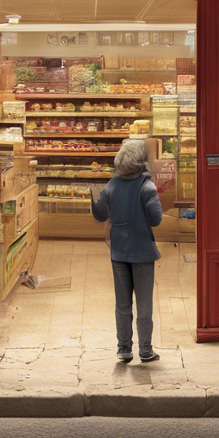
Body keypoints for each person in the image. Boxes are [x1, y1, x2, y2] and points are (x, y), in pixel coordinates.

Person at [91, 139, 163, 363]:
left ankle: (123, 348)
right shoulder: (147, 187)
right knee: (144, 304)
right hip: (142, 252)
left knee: (122, 305)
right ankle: (145, 350)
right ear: (141, 162)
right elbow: (156, 219)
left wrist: (93, 198)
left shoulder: (111, 185)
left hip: (119, 252)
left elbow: (100, 216)